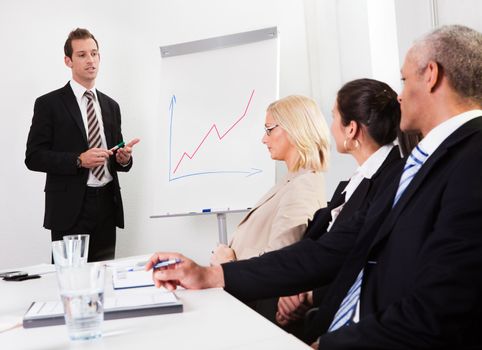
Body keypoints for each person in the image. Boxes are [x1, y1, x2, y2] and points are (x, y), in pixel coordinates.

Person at [148, 25, 482, 348]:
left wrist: (332, 344)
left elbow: (446, 305)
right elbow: (334, 251)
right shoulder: (420, 164)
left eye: (404, 79)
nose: (398, 94)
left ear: (432, 75)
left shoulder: (471, 159)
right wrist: (212, 275)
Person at [259, 79, 420, 330]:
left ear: (351, 129)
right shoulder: (353, 183)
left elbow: (357, 262)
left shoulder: (389, 181)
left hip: (340, 319)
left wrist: (306, 295)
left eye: (333, 117)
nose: (330, 127)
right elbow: (316, 247)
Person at [25, 28, 139, 262]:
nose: (90, 60)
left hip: (107, 204)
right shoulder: (49, 104)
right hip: (70, 209)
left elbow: (115, 152)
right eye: (82, 55)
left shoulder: (111, 106)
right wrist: (78, 159)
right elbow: (34, 156)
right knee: (70, 281)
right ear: (68, 61)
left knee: (104, 279)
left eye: (94, 54)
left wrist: (123, 158)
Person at [210, 95, 330, 265]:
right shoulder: (293, 180)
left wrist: (229, 263)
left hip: (248, 286)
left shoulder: (303, 186)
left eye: (269, 129)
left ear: (294, 128)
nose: (264, 139)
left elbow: (278, 263)